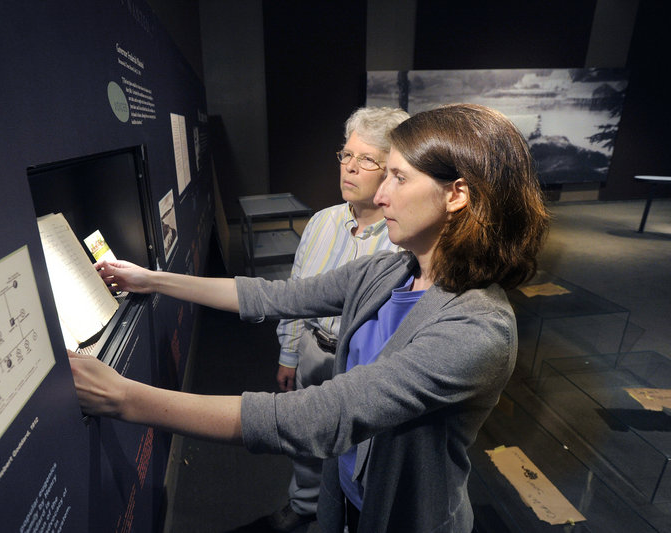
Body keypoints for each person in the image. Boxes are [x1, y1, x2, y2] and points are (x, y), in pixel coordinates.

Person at [69, 103, 550, 532]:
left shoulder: (478, 328)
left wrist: (125, 399)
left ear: (457, 195)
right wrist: (152, 280)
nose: (381, 197)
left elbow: (324, 415)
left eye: (397, 178)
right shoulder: (391, 269)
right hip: (345, 494)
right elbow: (279, 296)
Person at [269, 106, 408, 532]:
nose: (349, 168)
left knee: (361, 450)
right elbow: (295, 295)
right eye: (346, 155)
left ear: (393, 170)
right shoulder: (321, 222)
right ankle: (305, 502)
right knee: (304, 440)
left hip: (366, 363)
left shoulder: (402, 238)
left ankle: (348, 517)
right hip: (314, 351)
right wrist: (289, 354)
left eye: (366, 160)